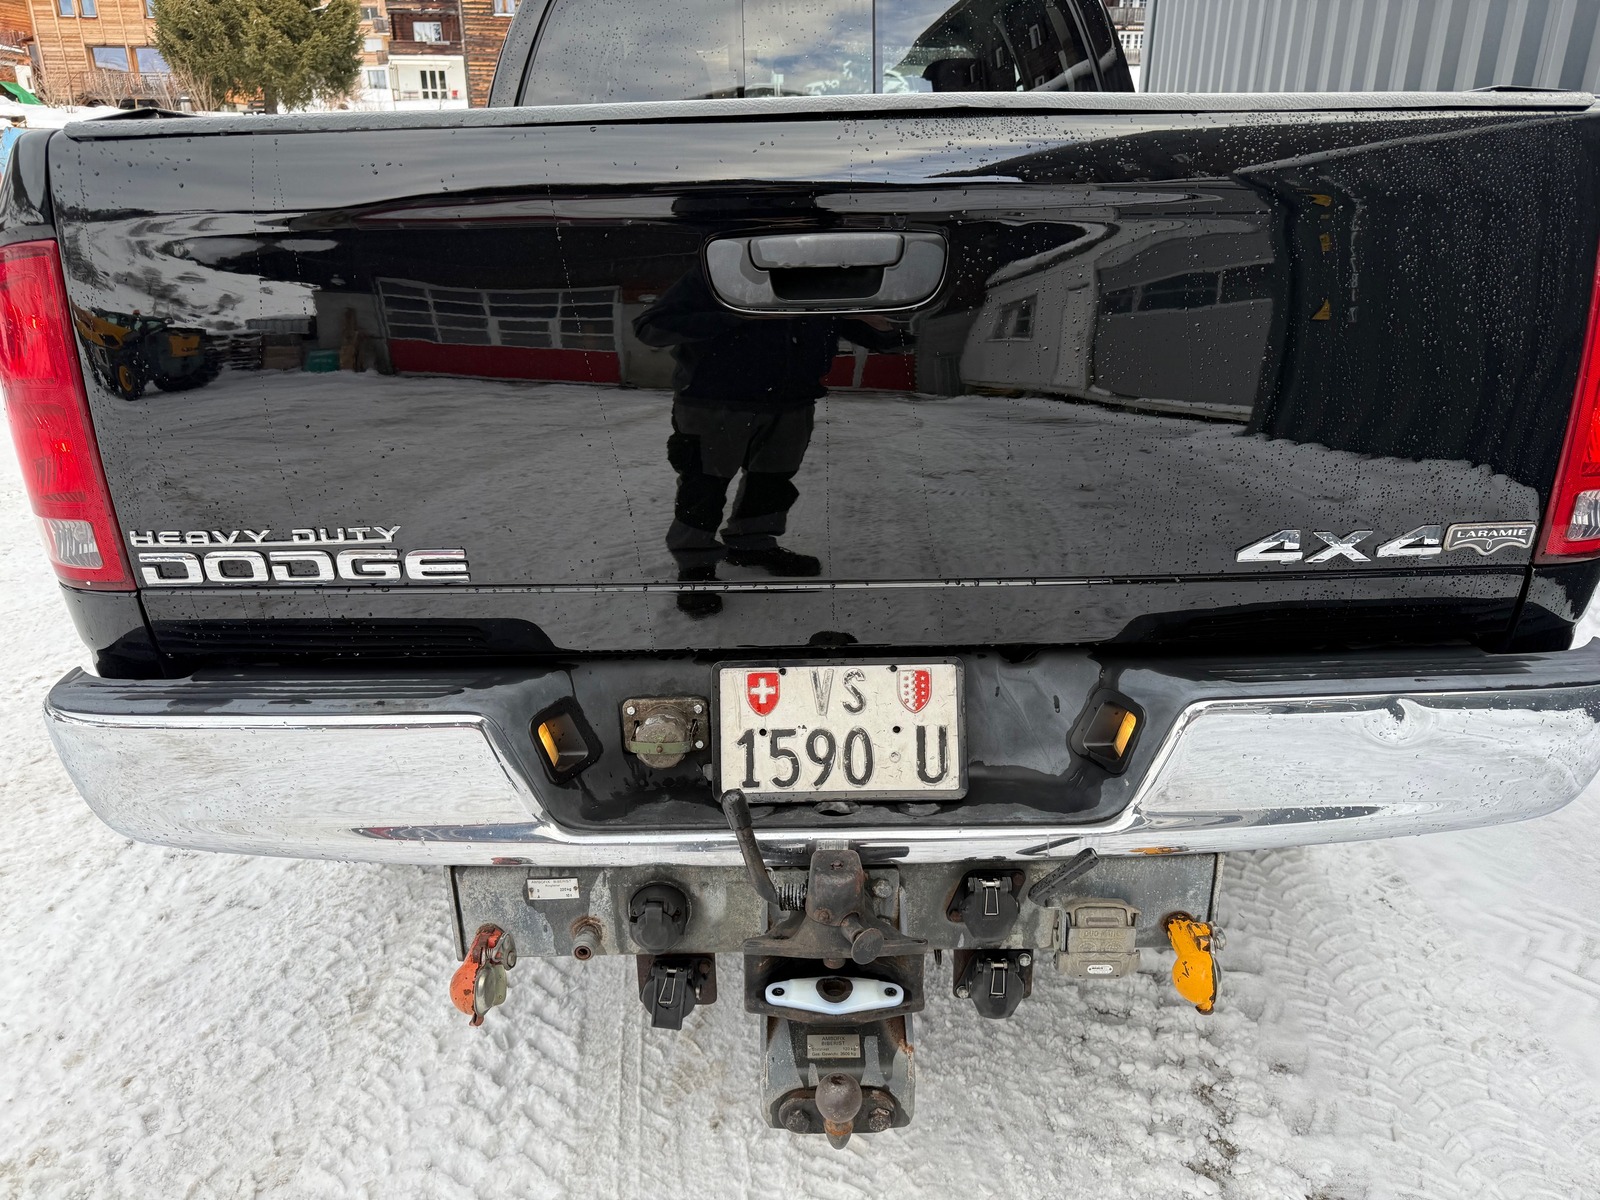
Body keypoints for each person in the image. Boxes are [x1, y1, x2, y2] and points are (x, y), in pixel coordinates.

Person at [635, 267, 912, 617]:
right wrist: (738, 314)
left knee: (772, 480)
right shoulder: (718, 273)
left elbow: (888, 340)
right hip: (714, 402)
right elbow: (651, 328)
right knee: (703, 482)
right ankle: (694, 565)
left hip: (793, 402)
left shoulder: (823, 284)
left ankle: (752, 544)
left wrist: (882, 326)